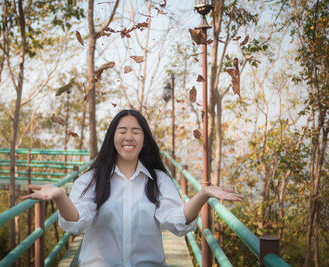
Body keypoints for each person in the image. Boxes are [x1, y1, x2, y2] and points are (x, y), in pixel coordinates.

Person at [22, 109, 243, 266]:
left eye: (136, 131)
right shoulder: (92, 179)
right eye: (122, 130)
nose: (129, 136)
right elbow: (77, 223)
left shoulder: (158, 180)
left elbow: (177, 222)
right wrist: (60, 196)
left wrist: (203, 194)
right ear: (112, 137)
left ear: (144, 139)